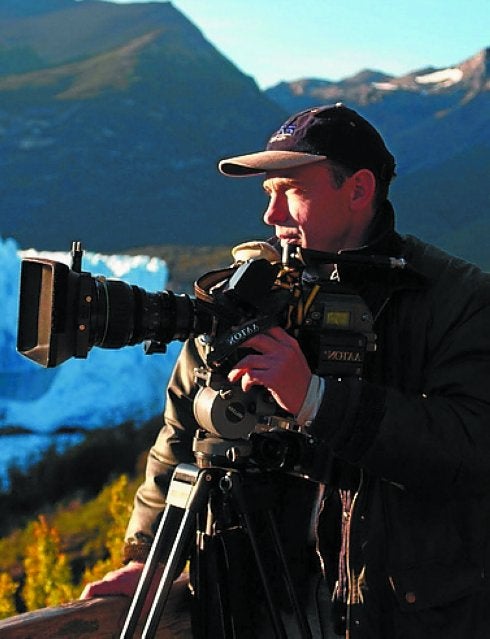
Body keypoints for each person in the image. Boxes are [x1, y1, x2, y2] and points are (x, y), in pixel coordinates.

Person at [81, 103, 490, 638]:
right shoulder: (247, 297)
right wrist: (151, 557)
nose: (270, 216)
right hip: (260, 607)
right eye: (267, 192)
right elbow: (184, 436)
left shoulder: (457, 299)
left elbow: (472, 443)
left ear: (359, 190)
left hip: (405, 613)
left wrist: (317, 400)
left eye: (291, 190)